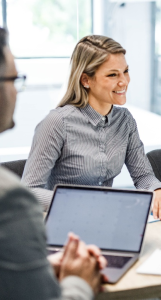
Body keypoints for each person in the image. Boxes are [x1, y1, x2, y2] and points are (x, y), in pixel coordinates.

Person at [0, 27, 106, 300]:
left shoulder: (124, 121)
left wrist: (38, 269)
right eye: (14, 79)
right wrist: (78, 281)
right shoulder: (10, 200)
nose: (17, 91)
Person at [21, 35, 161, 220]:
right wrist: (84, 202)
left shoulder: (125, 121)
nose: (124, 81)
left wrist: (158, 190)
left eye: (125, 71)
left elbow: (143, 176)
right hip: (62, 221)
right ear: (86, 80)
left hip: (103, 219)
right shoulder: (57, 123)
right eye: (112, 74)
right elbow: (29, 192)